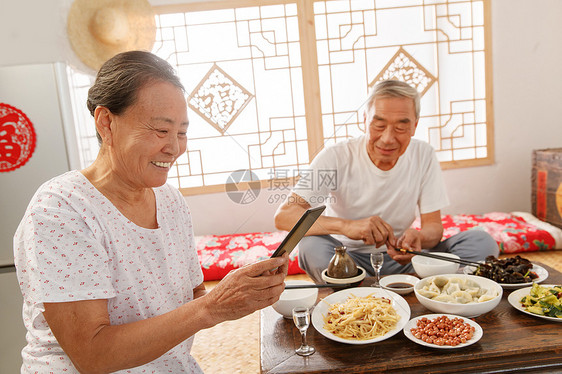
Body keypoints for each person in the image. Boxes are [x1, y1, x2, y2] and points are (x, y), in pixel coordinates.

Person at [13, 50, 288, 373]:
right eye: (161, 130)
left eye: (181, 132)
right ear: (106, 122)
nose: (174, 147)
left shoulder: (170, 201)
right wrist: (213, 306)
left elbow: (192, 296)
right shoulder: (61, 210)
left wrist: (238, 290)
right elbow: (92, 354)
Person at [274, 80, 498, 284]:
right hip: (347, 258)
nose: (388, 138)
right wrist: (347, 226)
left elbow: (433, 228)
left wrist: (418, 238)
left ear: (415, 126)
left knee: (481, 242)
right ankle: (372, 290)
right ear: (364, 120)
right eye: (379, 125)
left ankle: (428, 289)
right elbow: (285, 216)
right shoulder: (335, 156)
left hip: (406, 261)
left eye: (401, 127)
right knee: (310, 246)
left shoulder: (424, 154)